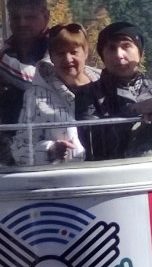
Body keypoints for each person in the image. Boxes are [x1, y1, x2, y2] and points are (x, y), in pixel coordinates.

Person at [10, 22, 101, 166]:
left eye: (73, 51)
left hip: (109, 173)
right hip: (62, 181)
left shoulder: (105, 86)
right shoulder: (36, 96)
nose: (67, 59)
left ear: (86, 52)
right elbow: (19, 149)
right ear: (51, 56)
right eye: (60, 53)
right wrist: (49, 151)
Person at [75, 21, 152, 161]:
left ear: (139, 52)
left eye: (126, 46)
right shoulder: (88, 95)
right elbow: (93, 143)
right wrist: (134, 111)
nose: (119, 55)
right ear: (102, 56)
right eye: (111, 48)